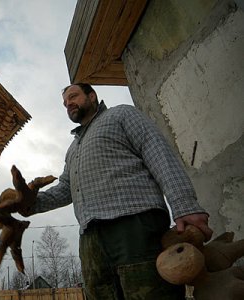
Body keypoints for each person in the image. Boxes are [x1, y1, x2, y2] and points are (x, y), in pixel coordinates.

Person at [17, 83, 213, 300]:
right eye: (65, 103)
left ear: (92, 96)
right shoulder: (73, 149)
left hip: (135, 227)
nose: (68, 104)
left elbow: (157, 151)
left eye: (73, 96)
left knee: (151, 294)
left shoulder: (121, 114)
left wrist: (184, 205)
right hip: (90, 241)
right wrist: (31, 204)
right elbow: (66, 189)